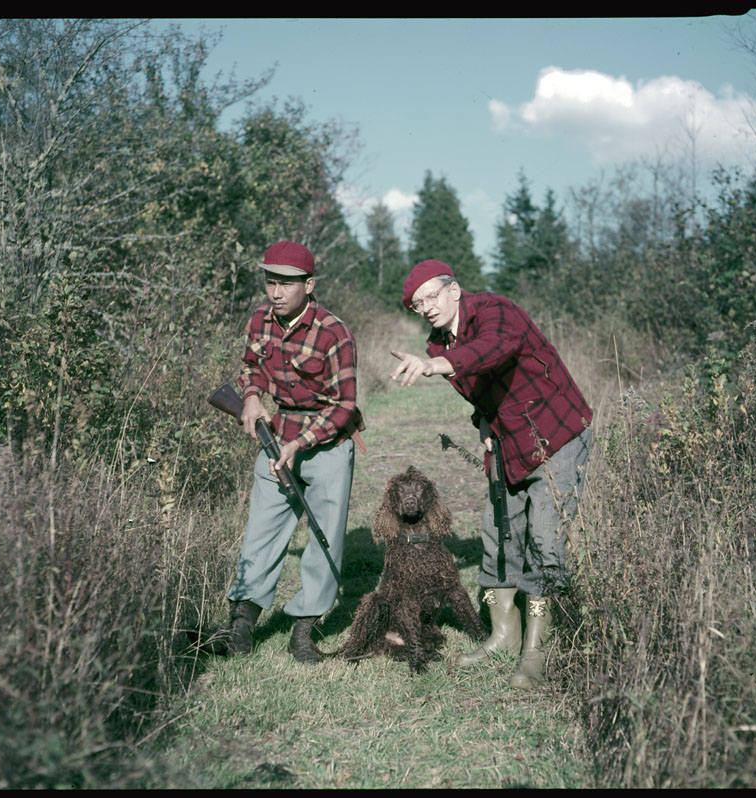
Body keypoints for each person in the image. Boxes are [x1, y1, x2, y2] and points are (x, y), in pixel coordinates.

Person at [390, 259, 592, 689]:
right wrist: (482, 419)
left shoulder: (495, 310)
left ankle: (537, 650)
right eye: (416, 304)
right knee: (497, 534)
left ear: (454, 289)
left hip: (556, 433)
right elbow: (482, 387)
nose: (425, 308)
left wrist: (437, 365)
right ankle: (504, 637)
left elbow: (494, 348)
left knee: (546, 539)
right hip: (507, 442)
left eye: (431, 296)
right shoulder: (439, 342)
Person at [205, 241, 365, 664]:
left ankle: (303, 631)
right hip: (276, 438)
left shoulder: (335, 333)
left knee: (325, 538)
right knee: (261, 532)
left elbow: (345, 405)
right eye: (270, 282)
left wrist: (300, 443)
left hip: (328, 444)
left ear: (308, 285)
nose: (276, 293)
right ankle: (240, 629)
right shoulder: (260, 319)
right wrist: (251, 396)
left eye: (286, 284)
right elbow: (251, 366)